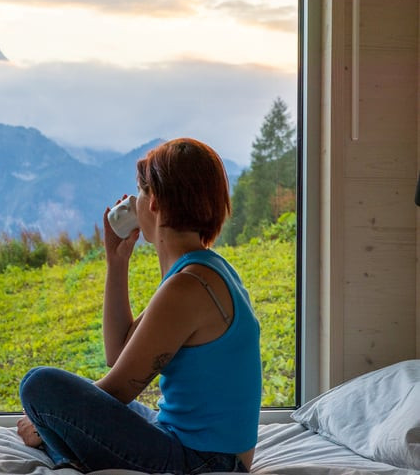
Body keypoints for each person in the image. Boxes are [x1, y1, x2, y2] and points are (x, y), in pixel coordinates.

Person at [17, 137, 262, 473]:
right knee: (68, 395)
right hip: (199, 447)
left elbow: (115, 390)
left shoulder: (188, 287)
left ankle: (61, 454)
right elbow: (118, 355)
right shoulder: (203, 269)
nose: (134, 201)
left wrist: (46, 416)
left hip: (203, 462)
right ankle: (63, 451)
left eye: (140, 191)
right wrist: (117, 262)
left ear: (155, 202)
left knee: (38, 385)